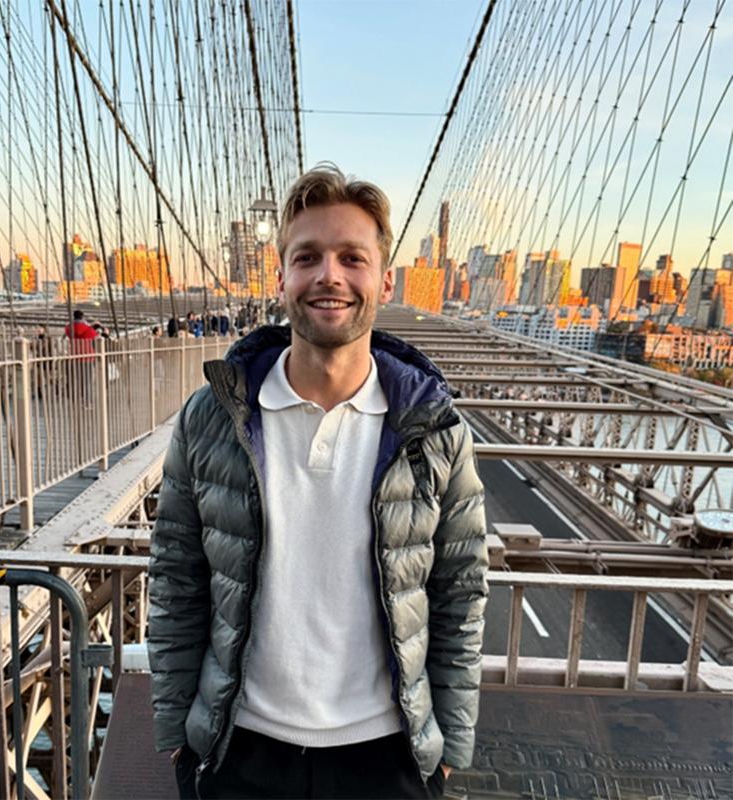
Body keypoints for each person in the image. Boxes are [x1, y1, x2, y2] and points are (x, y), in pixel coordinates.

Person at [148, 165, 488, 800]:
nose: (329, 275)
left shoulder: (437, 430)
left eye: (351, 258)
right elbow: (176, 575)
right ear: (281, 278)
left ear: (385, 280)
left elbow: (460, 591)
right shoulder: (211, 418)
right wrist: (176, 732)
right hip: (239, 750)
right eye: (308, 257)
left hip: (385, 756)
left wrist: (447, 750)